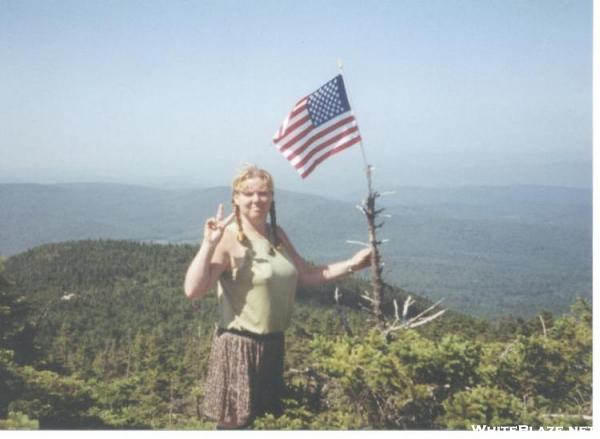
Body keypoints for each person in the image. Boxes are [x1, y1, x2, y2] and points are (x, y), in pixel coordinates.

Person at [183, 165, 371, 429]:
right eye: (248, 193)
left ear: (271, 197)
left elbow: (306, 275)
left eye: (263, 193)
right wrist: (208, 244)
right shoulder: (228, 239)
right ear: (235, 198)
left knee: (260, 422)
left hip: (272, 344)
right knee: (234, 424)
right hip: (239, 347)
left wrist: (352, 264)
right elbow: (193, 290)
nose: (256, 199)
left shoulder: (275, 234)